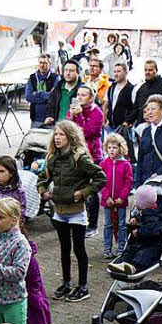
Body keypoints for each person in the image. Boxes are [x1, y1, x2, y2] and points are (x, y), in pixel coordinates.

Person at [38, 120, 107, 303]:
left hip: (76, 212)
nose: (58, 138)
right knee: (64, 248)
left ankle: (83, 287)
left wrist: (83, 193)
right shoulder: (52, 158)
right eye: (56, 134)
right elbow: (42, 178)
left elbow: (100, 178)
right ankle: (66, 283)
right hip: (59, 211)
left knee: (79, 249)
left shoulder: (80, 158)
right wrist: (43, 191)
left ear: (70, 136)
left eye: (62, 134)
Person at [107, 184, 162, 276]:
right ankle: (121, 263)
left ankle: (134, 267)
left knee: (144, 254)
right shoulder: (145, 212)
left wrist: (139, 232)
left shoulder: (155, 216)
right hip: (140, 241)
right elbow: (143, 218)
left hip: (152, 243)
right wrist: (136, 219)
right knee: (130, 250)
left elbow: (153, 229)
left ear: (141, 204)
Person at [68, 85, 104, 237]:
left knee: (91, 191)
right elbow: (68, 130)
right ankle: (78, 221)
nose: (80, 97)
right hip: (74, 154)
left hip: (92, 156)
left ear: (91, 98)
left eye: (83, 95)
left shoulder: (97, 113)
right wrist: (73, 116)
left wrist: (79, 116)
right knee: (76, 187)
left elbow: (86, 132)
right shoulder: (73, 110)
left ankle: (93, 225)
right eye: (78, 94)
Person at [100, 132, 133, 258]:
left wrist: (122, 197)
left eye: (114, 147)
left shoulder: (126, 164)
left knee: (121, 225)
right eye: (109, 147)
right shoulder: (103, 164)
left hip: (120, 201)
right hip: (107, 201)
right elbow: (101, 182)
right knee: (108, 225)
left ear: (120, 148)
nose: (111, 150)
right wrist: (106, 196)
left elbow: (128, 183)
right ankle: (107, 248)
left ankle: (121, 248)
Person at [0, 156, 27, 238]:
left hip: (10, 235)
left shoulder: (18, 193)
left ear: (11, 173)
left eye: (1, 171)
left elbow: (20, 216)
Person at [105, 61, 138, 153]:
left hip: (124, 127)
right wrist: (105, 119)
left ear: (126, 72)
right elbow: (108, 104)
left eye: (119, 71)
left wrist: (128, 122)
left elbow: (135, 108)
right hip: (111, 126)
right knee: (112, 153)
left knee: (125, 152)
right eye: (114, 71)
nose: (116, 74)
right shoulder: (111, 88)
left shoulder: (132, 89)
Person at [25, 53, 60, 125]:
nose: (42, 65)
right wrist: (46, 96)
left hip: (50, 118)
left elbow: (53, 96)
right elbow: (28, 96)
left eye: (45, 63)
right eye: (40, 62)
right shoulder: (32, 78)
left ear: (49, 64)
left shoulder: (55, 77)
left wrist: (37, 94)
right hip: (35, 118)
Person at [45, 60, 82, 126]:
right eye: (66, 70)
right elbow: (50, 105)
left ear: (78, 73)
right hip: (58, 126)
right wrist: (50, 116)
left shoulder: (83, 90)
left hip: (74, 128)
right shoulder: (57, 88)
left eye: (71, 71)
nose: (68, 73)